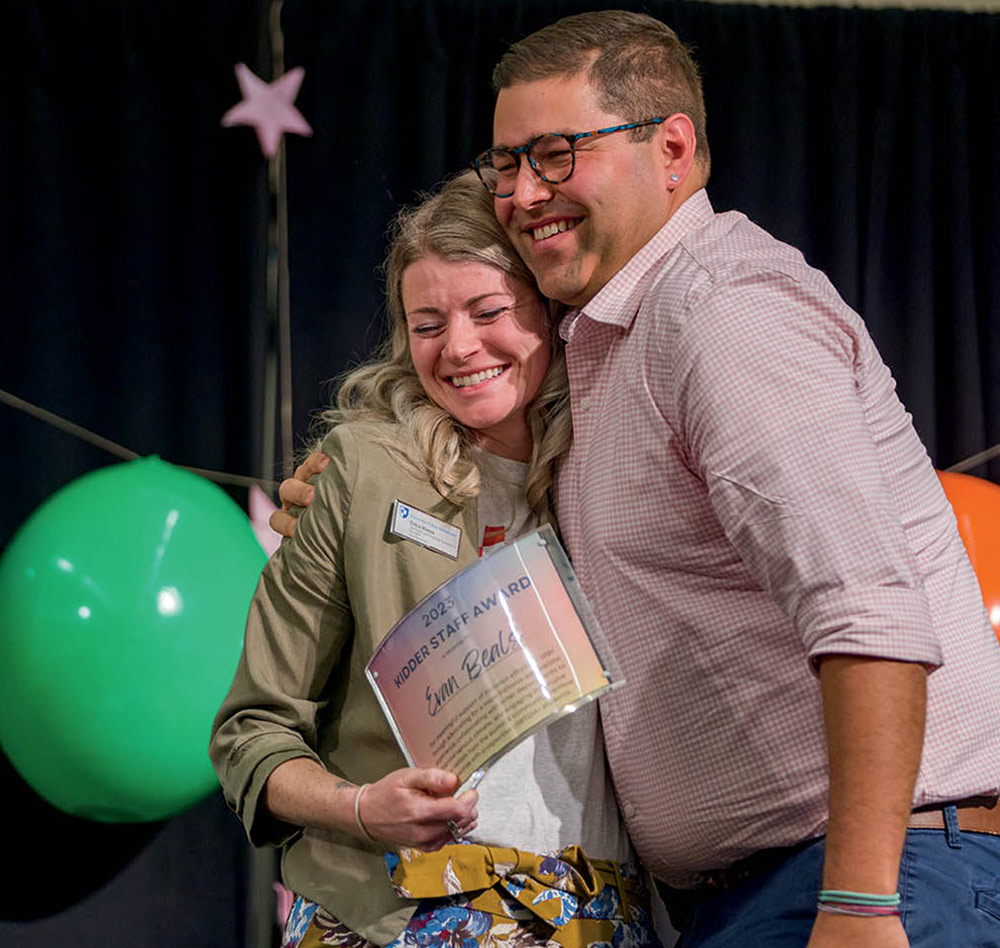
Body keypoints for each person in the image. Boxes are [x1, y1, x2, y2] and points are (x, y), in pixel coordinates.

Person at [278, 10, 1000, 948]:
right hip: (753, 897)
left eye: (557, 153)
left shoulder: (721, 311)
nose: (524, 191)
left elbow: (865, 607)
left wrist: (861, 904)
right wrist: (348, 486)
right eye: (506, 163)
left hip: (875, 878)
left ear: (672, 147)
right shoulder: (603, 348)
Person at [209, 169, 661, 948]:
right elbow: (251, 732)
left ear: (549, 312)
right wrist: (359, 808)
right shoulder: (362, 471)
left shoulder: (622, 465)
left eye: (488, 311)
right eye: (426, 324)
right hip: (383, 916)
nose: (458, 347)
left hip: (594, 919)